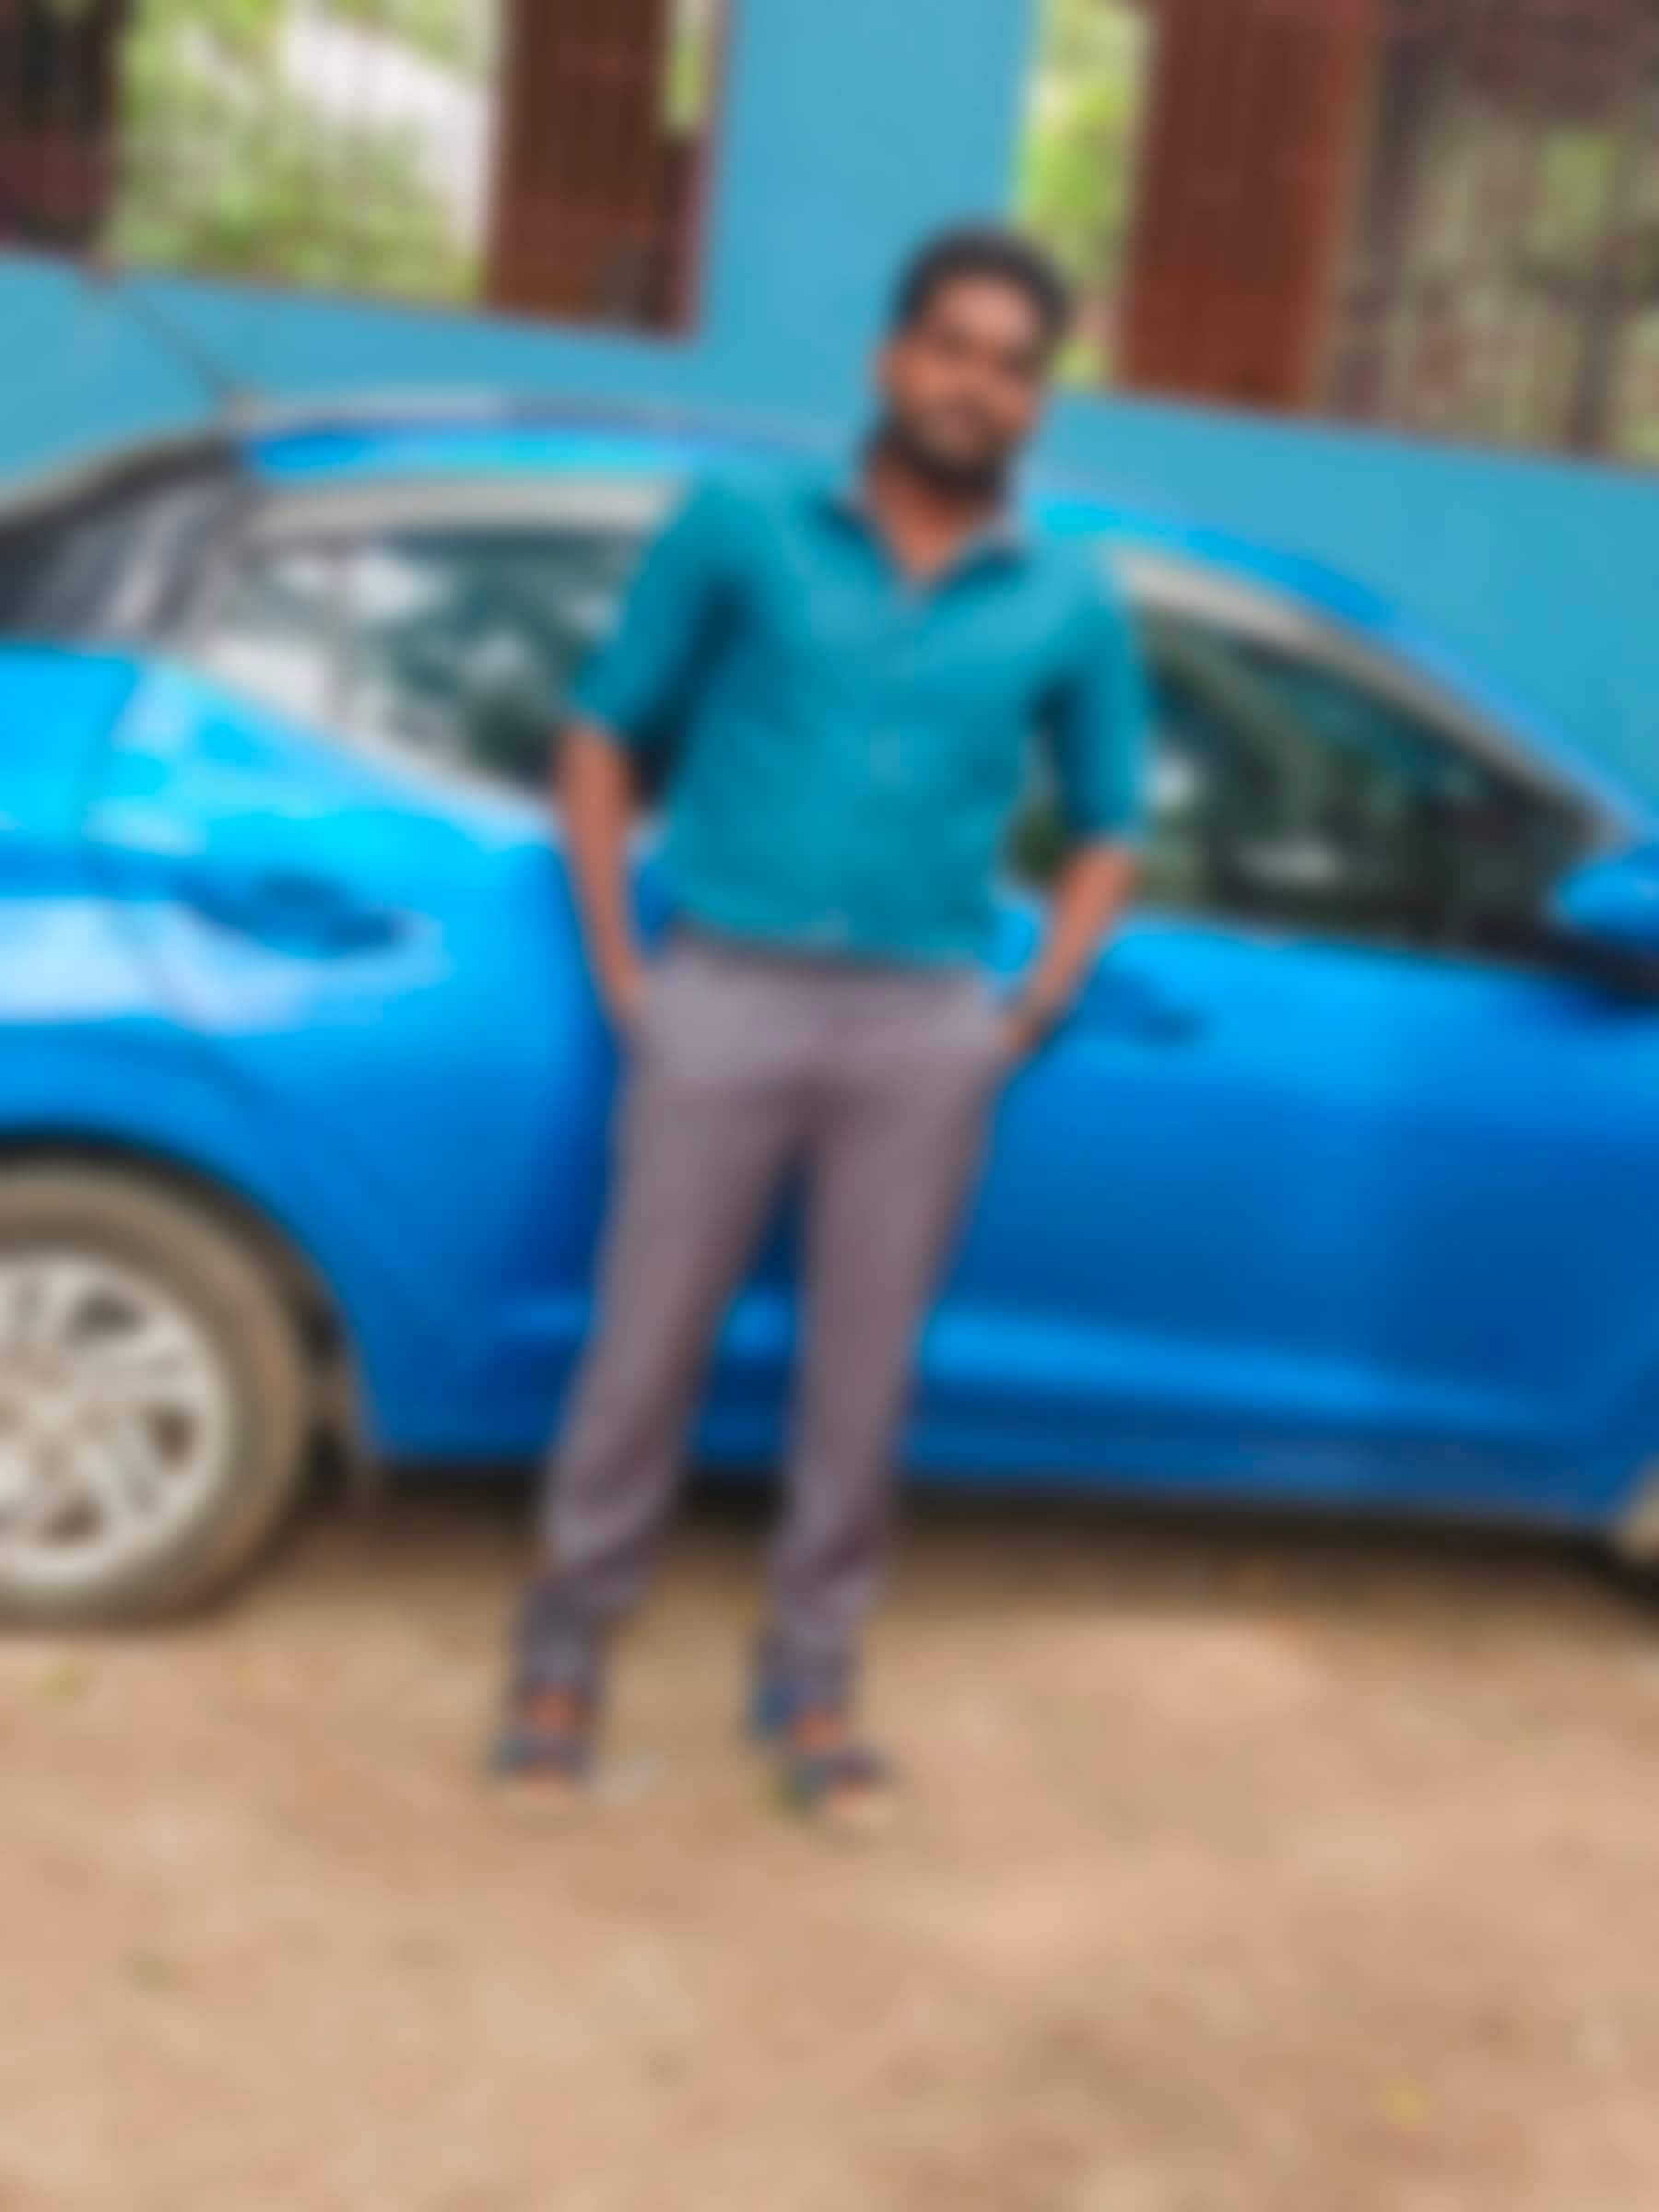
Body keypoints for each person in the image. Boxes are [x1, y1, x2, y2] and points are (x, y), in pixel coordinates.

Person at [494, 225, 1145, 1829]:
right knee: (644, 1347)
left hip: (923, 1025)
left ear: (1037, 401)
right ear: (890, 359)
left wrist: (1026, 1010)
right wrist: (629, 974)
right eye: (951, 348)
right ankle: (565, 1647)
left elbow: (1111, 826)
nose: (974, 385)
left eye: (1012, 366)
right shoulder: (743, 527)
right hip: (727, 989)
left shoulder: (1070, 598)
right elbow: (600, 735)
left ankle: (812, 1674)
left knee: (863, 1379)